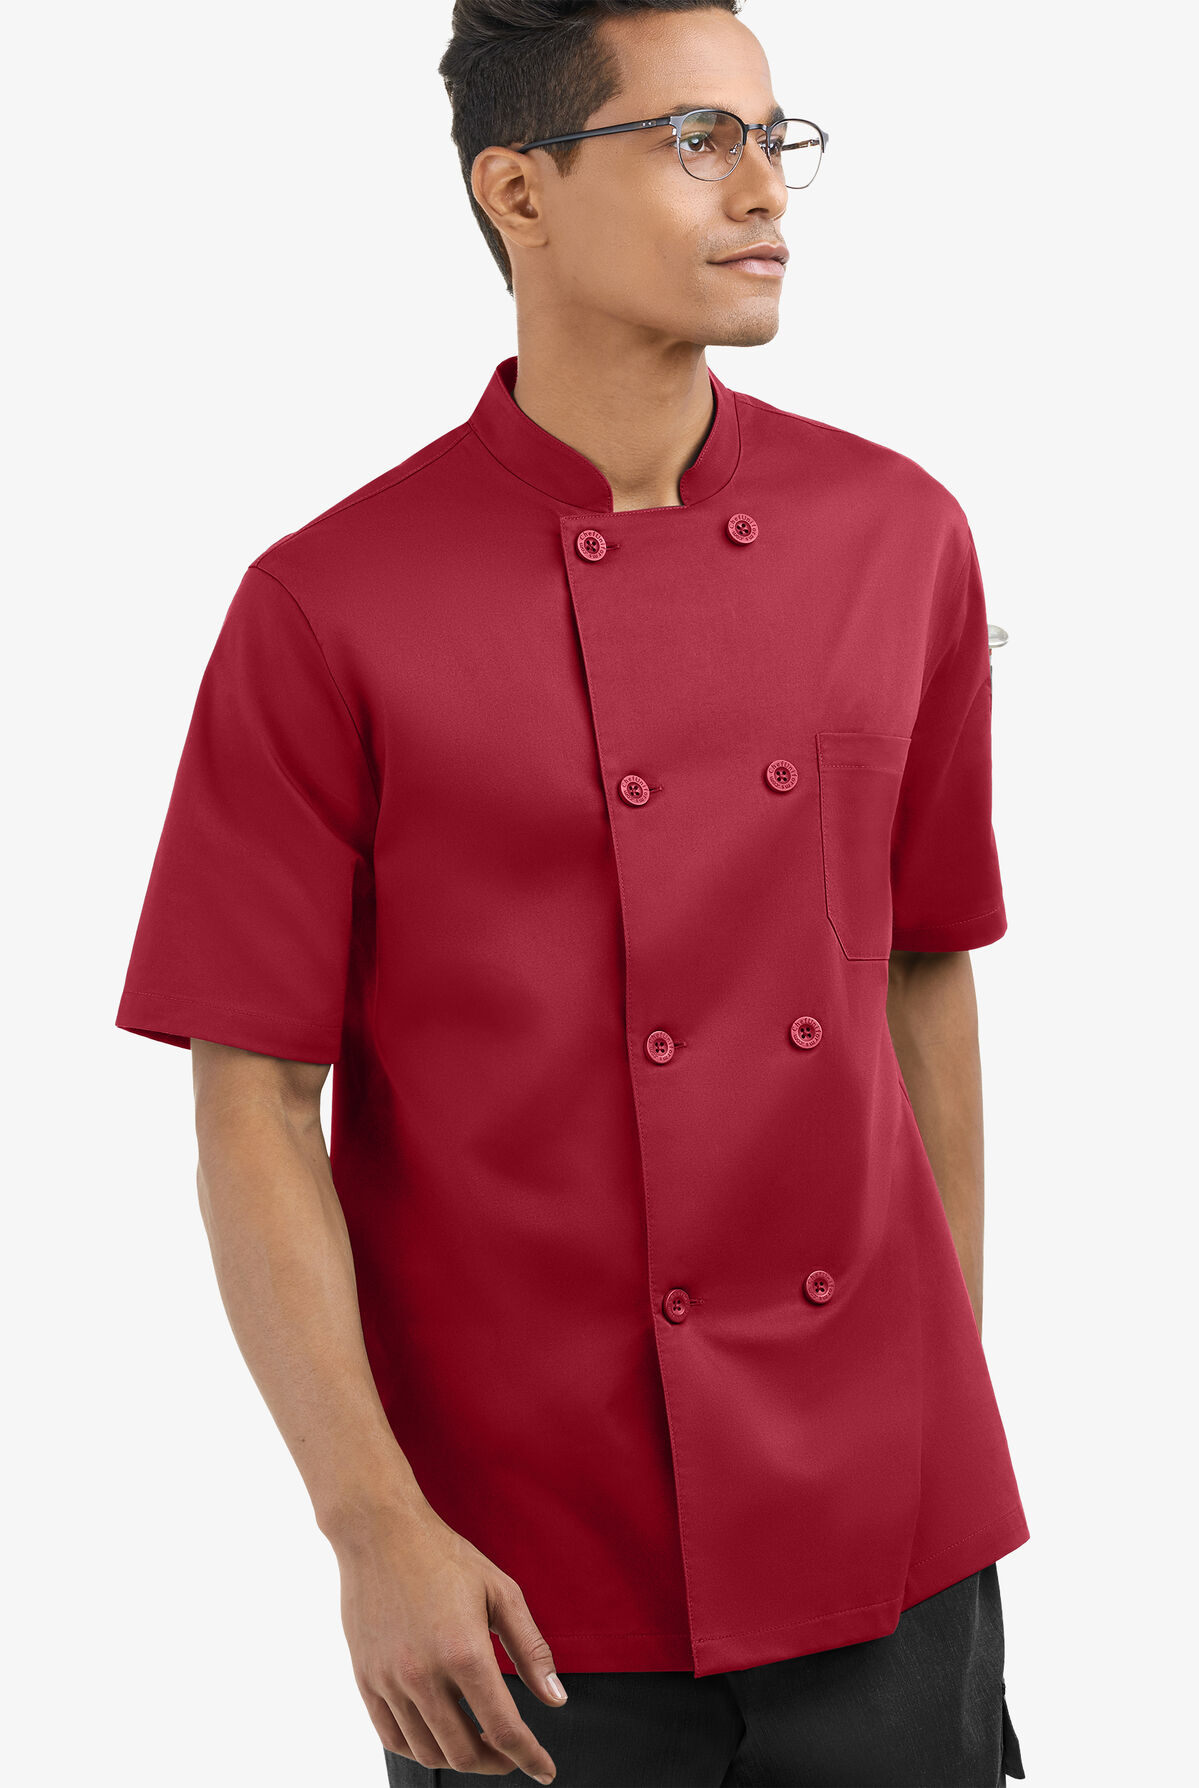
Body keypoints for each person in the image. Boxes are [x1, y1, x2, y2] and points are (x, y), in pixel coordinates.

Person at [114, 2, 1030, 1782]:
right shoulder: (327, 604)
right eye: (696, 140)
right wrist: (371, 1527)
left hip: (897, 1542)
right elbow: (252, 1104)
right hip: (518, 1578)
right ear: (517, 191)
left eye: (774, 136)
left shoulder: (902, 535)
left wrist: (937, 1393)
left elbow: (924, 971)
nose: (765, 189)